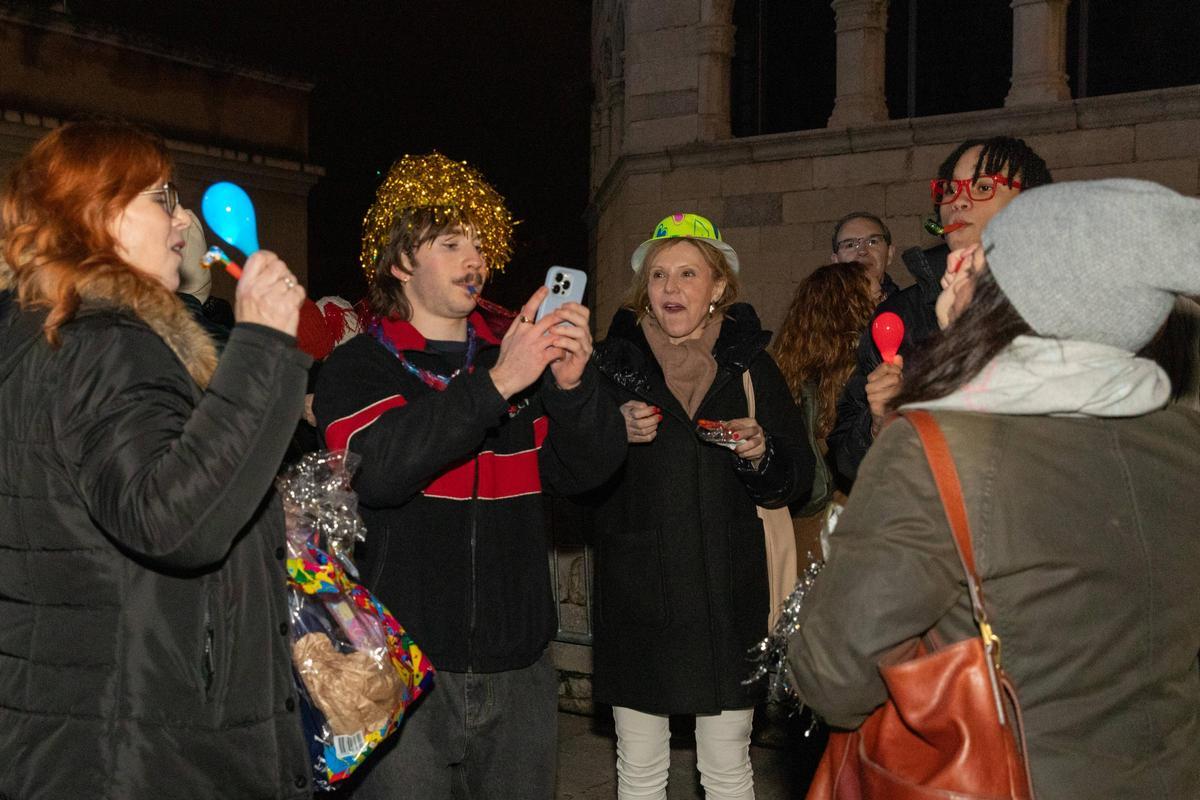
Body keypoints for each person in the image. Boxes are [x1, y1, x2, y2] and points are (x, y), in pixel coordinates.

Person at [789, 179, 1200, 797]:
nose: (955, 265)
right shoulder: (1183, 438)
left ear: (1031, 292)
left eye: (983, 257)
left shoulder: (938, 446)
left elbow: (834, 678)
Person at [0, 120, 313, 798]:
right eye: (163, 198)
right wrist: (259, 343)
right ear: (102, 215)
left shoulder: (49, 337)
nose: (185, 221)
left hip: (89, 734)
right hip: (140, 750)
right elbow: (173, 522)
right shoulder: (107, 344)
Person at [313, 153, 625, 800]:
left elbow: (590, 472)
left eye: (482, 242)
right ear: (400, 261)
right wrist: (499, 384)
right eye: (451, 243)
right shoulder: (359, 368)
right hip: (400, 670)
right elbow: (381, 472)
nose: (475, 259)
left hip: (520, 672)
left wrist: (570, 386)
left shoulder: (515, 359)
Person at [589, 212, 813, 800]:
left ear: (717, 289)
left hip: (728, 596)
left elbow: (798, 478)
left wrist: (762, 451)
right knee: (638, 772)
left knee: (727, 770)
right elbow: (572, 474)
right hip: (639, 597)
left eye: (688, 272)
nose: (670, 287)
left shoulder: (752, 367)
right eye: (659, 274)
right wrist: (610, 432)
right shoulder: (612, 366)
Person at [826, 136, 1052, 487]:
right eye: (950, 189)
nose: (958, 201)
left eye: (982, 187)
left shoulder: (1062, 302)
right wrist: (876, 423)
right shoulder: (902, 313)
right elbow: (846, 462)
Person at [772, 260, 878, 551]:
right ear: (853, 306)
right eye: (877, 297)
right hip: (849, 518)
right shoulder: (866, 372)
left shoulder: (786, 369)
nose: (884, 304)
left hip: (799, 524)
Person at [828, 211, 899, 301]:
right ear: (836, 261)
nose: (862, 251)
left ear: (889, 254)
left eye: (872, 242)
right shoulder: (816, 312)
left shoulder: (913, 310)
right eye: (850, 245)